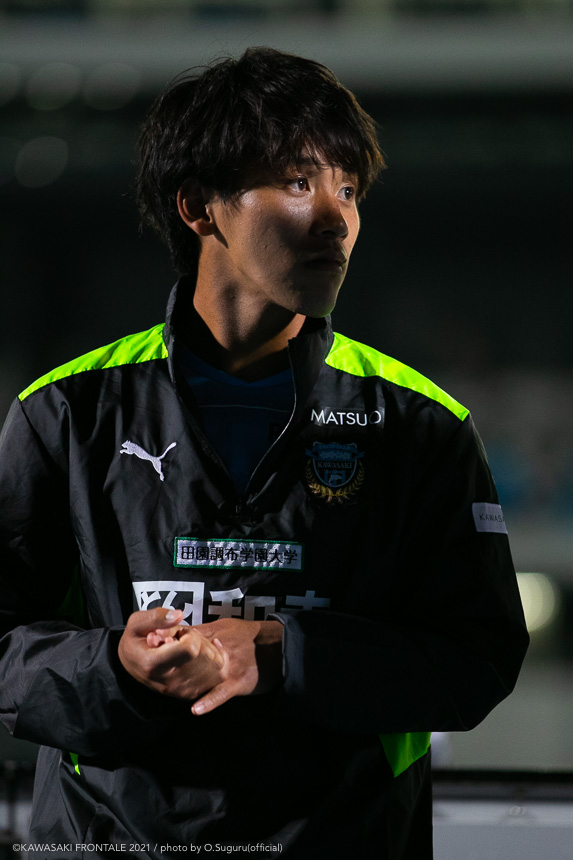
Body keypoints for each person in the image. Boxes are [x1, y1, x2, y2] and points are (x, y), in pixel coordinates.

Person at [0, 47, 528, 859]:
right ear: (197, 207)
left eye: (347, 189)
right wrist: (115, 667)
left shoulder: (420, 423)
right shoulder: (67, 410)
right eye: (296, 182)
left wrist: (286, 653)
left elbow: (477, 660)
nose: (335, 218)